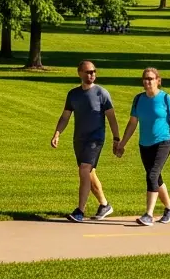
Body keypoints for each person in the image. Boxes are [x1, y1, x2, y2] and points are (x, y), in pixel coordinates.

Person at [114, 68, 170, 226]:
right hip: (144, 144)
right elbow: (132, 123)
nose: (147, 82)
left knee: (152, 176)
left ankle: (149, 214)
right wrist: (122, 144)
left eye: (151, 79)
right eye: (145, 79)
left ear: (158, 80)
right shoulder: (138, 99)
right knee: (156, 177)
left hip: (163, 141)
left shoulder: (166, 98)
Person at [51, 60, 119, 222]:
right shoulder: (73, 94)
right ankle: (104, 205)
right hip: (79, 140)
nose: (92, 74)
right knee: (89, 174)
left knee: (84, 170)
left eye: (94, 71)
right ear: (80, 73)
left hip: (95, 139)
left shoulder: (102, 93)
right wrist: (57, 133)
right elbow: (65, 116)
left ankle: (80, 211)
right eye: (88, 72)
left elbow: (111, 118)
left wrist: (117, 139)